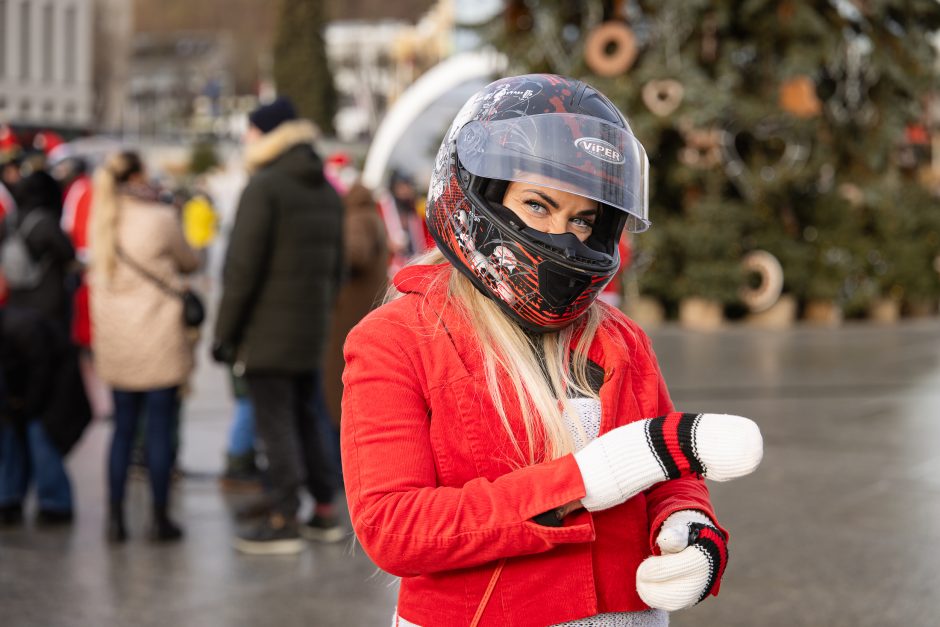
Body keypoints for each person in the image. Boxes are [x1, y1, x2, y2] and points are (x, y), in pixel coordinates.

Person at [340, 75, 765, 627]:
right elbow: (394, 527)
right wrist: (586, 478)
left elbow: (669, 470)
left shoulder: (619, 340)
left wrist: (692, 529)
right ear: (482, 191)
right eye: (538, 205)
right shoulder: (398, 339)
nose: (563, 237)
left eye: (583, 219)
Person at [212, 97, 345, 554]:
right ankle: (324, 511)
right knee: (307, 417)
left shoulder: (265, 186)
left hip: (266, 333)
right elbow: (336, 268)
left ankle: (284, 516)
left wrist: (224, 334)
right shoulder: (327, 190)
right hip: (309, 329)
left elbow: (240, 270)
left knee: (276, 425)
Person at [88, 151, 199, 542]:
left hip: (117, 341)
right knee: (157, 430)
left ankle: (115, 521)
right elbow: (189, 261)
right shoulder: (159, 217)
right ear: (136, 176)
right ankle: (159, 519)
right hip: (157, 338)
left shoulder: (100, 220)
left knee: (122, 431)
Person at [0, 305, 89, 526]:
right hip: (30, 389)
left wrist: (25, 407)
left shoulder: (22, 328)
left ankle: (55, 504)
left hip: (55, 390)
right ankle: (8, 499)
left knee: (40, 437)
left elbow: (42, 373)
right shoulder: (13, 327)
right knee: (12, 436)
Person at [322, 182, 388, 457]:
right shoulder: (372, 216)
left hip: (349, 313)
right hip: (365, 308)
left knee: (338, 388)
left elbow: (354, 254)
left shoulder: (356, 219)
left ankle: (338, 462)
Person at [3, 169, 76, 332]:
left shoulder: (9, 221)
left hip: (16, 299)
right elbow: (68, 254)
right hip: (48, 302)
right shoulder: (45, 222)